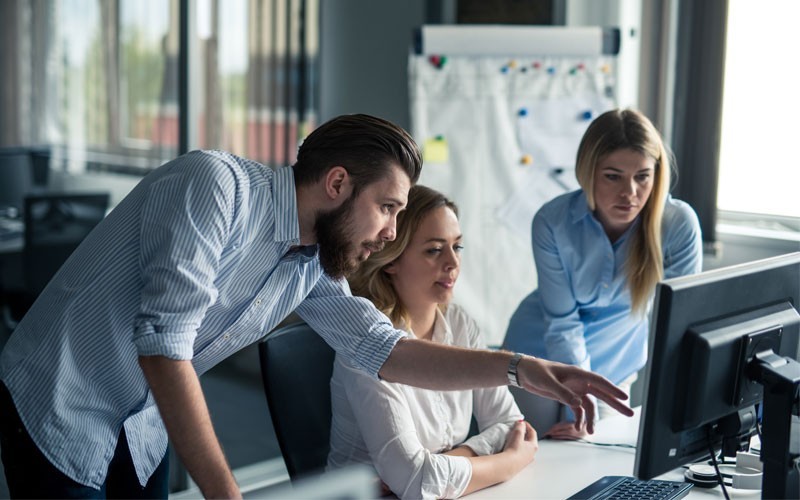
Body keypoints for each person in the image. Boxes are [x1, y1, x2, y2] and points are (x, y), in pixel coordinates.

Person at [0, 114, 632, 499]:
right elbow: (165, 346)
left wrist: (521, 368)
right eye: (387, 208)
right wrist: (224, 492)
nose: (391, 233)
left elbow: (386, 351)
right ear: (336, 184)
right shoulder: (213, 185)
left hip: (143, 420)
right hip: (61, 398)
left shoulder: (309, 262)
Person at [503, 108, 702, 439]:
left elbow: (679, 324)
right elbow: (563, 323)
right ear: (588, 172)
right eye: (613, 176)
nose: (630, 193)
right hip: (536, 354)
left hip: (614, 366)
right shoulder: (552, 221)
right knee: (528, 459)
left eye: (642, 176)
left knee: (594, 463)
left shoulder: (677, 224)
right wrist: (577, 405)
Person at [328, 185, 538, 499]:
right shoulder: (366, 342)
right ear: (391, 260)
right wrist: (511, 461)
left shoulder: (459, 323)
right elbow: (415, 481)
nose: (453, 262)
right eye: (434, 250)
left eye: (458, 247)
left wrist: (451, 461)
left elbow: (510, 424)